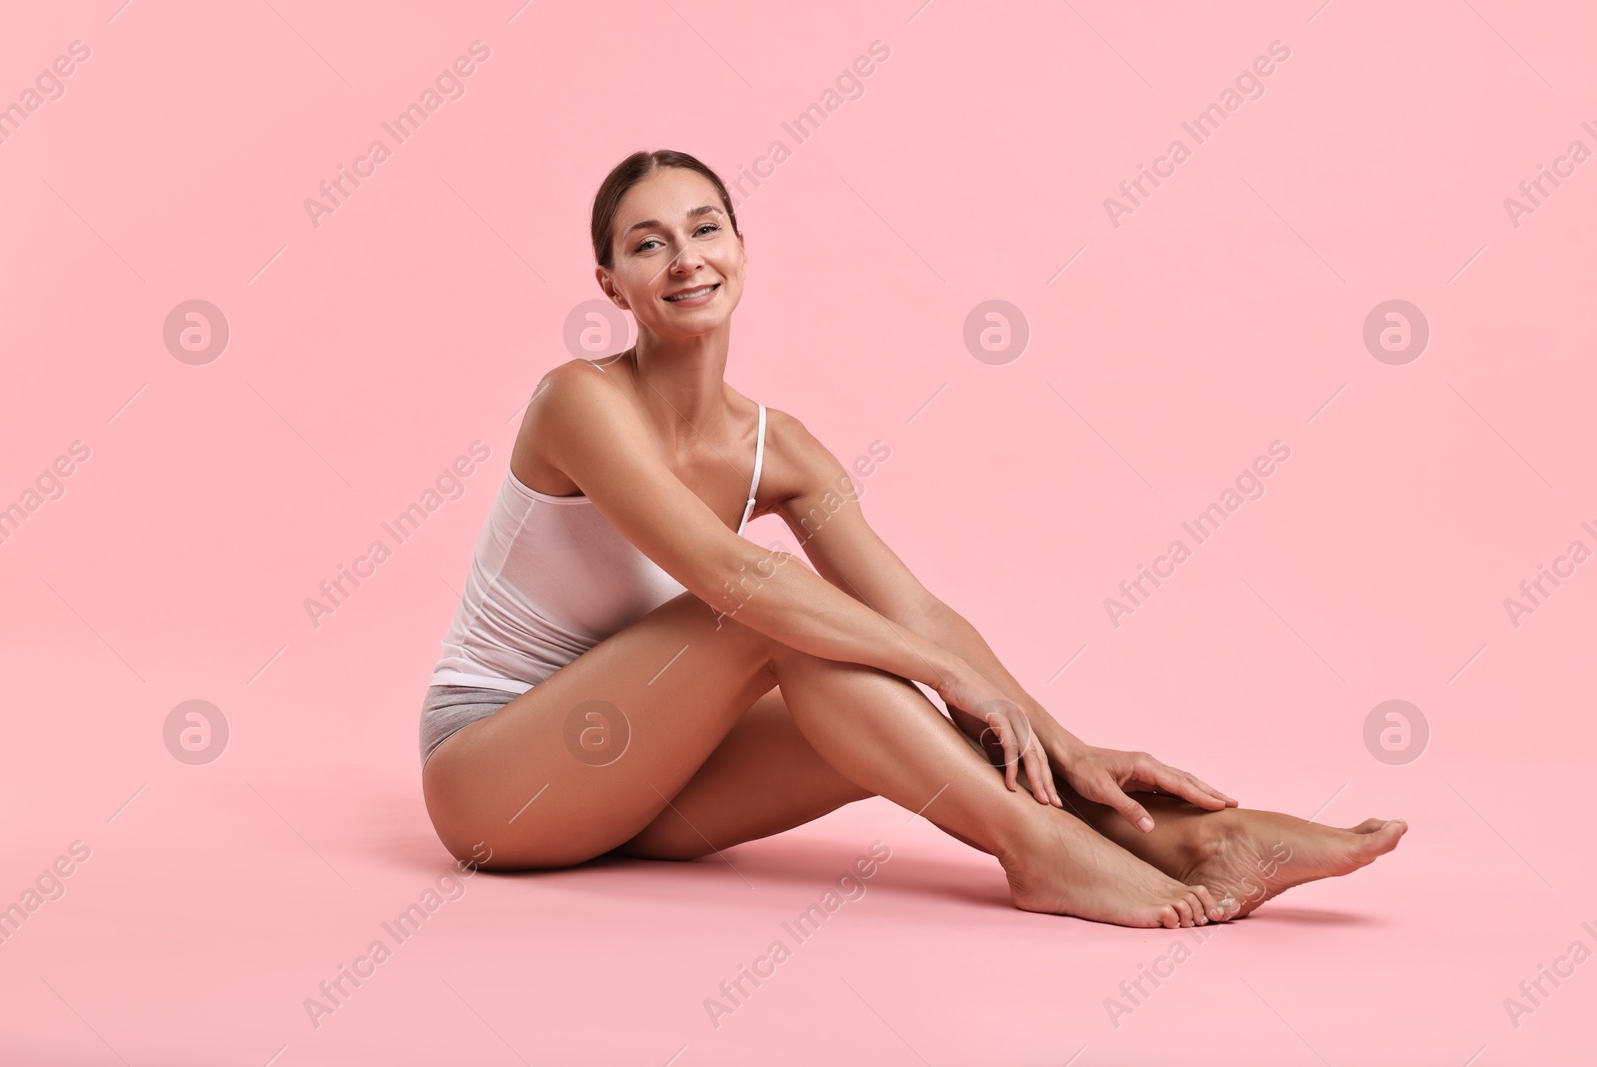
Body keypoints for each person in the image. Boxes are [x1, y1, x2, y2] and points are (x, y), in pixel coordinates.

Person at [418, 149, 1405, 928]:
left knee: (868, 703)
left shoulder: (783, 448)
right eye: (646, 243)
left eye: (704, 227)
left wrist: (1058, 739)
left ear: (742, 248)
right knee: (773, 619)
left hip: (638, 791)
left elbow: (917, 610)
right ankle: (1037, 852)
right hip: (496, 782)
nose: (684, 259)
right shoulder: (578, 401)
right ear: (609, 280)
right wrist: (948, 671)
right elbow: (729, 576)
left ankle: (1190, 841)